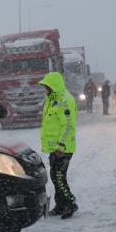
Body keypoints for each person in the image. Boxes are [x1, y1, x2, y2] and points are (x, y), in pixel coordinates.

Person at [39, 72, 78, 218]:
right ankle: (60, 205)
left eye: (47, 86)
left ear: (53, 86)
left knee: (60, 177)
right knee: (55, 177)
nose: (45, 89)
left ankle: (70, 203)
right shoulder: (52, 99)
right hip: (55, 148)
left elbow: (68, 125)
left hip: (64, 148)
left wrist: (61, 146)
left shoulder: (65, 100)